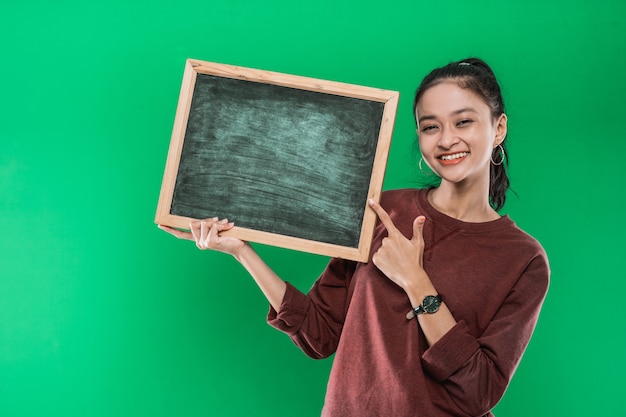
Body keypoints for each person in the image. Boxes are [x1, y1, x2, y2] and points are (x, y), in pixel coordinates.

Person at [159, 57, 550, 417]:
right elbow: (321, 333)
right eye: (431, 126)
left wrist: (417, 283)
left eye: (463, 121)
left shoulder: (523, 258)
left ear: (498, 127)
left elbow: (480, 391)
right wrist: (242, 252)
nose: (446, 140)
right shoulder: (384, 212)